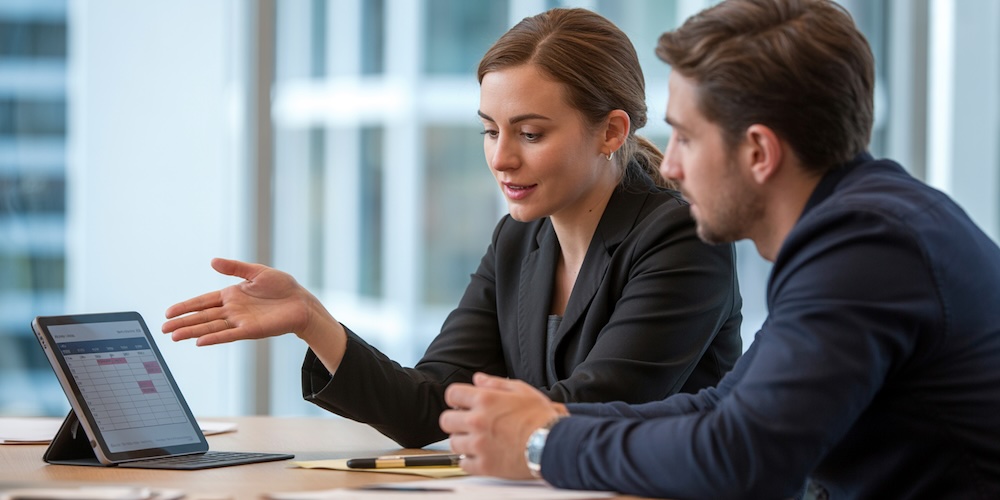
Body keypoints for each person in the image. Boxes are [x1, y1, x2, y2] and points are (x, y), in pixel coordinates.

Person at [438, 0, 1000, 497]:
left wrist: (542, 443)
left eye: (686, 137)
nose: (671, 164)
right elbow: (724, 408)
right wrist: (553, 419)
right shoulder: (862, 225)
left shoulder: (866, 248)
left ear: (758, 152)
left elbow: (744, 457)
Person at [162, 8, 743, 449]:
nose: (501, 158)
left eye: (531, 134)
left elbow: (585, 411)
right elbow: (428, 407)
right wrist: (312, 321)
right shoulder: (518, 239)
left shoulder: (680, 237)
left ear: (612, 131)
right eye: (490, 130)